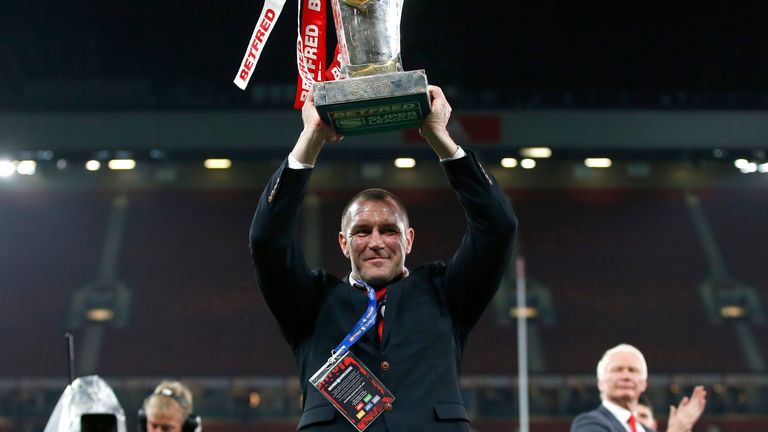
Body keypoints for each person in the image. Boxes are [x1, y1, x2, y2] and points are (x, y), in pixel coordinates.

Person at [249, 85, 517, 431]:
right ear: (344, 243)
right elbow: (266, 239)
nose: (376, 242)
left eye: (389, 230)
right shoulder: (310, 303)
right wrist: (311, 140)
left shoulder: (447, 295)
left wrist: (440, 139)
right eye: (362, 232)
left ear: (409, 239)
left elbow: (498, 226)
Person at [570, 344, 707, 432]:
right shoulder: (588, 423)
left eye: (633, 370)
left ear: (644, 384)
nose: (626, 376)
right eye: (617, 370)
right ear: (600, 382)